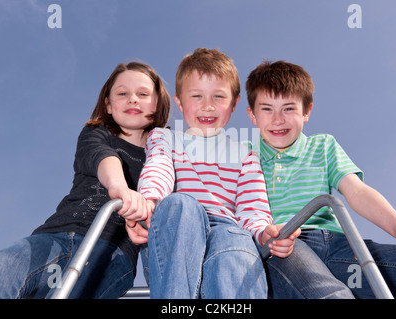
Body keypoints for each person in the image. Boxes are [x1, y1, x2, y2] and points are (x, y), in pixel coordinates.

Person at [0, 61, 171, 299]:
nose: (133, 99)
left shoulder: (165, 152)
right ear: (109, 105)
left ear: (158, 103)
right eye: (122, 93)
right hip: (56, 236)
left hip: (111, 250)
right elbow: (103, 157)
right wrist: (120, 188)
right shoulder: (96, 133)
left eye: (143, 94)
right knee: (1, 266)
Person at [245, 59, 396, 299]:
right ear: (252, 115)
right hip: (285, 245)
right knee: (333, 294)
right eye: (267, 109)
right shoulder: (244, 155)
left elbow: (357, 192)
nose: (278, 119)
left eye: (289, 108)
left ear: (307, 111)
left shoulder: (322, 145)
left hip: (337, 245)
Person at [127, 48, 300, 299]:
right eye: (196, 96)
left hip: (227, 228)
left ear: (234, 103)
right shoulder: (165, 137)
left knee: (237, 246)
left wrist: (264, 232)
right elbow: (158, 167)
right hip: (178, 232)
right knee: (180, 205)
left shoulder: (245, 154)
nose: (207, 106)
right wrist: (150, 201)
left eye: (218, 96)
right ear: (179, 101)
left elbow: (252, 208)